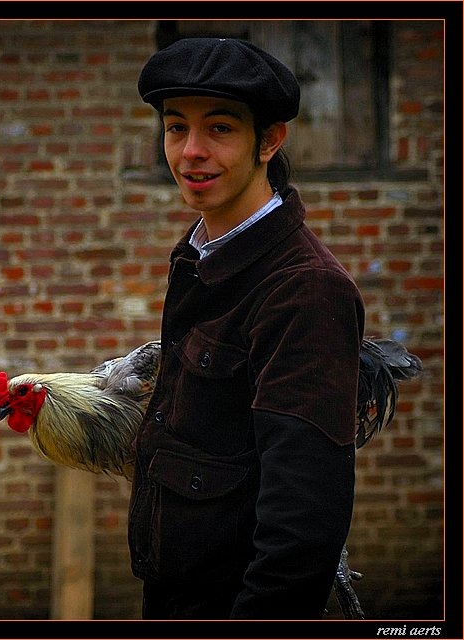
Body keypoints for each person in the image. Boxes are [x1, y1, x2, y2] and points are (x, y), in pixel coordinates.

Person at [127, 37, 365, 620]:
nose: (190, 152)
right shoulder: (200, 254)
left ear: (271, 140)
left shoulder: (304, 288)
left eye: (221, 129)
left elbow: (302, 531)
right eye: (176, 127)